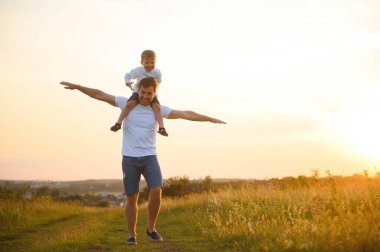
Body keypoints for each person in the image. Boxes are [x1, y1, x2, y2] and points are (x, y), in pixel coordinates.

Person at [60, 78, 225, 245]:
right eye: (143, 93)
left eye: (149, 94)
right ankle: (132, 235)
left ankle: (151, 228)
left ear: (154, 94)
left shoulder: (158, 110)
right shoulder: (126, 103)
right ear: (138, 91)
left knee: (156, 190)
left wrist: (208, 118)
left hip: (149, 157)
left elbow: (186, 114)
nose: (145, 97)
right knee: (132, 197)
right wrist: (79, 87)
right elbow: (100, 95)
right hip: (129, 158)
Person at [110, 50, 169, 137]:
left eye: (152, 62)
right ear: (142, 62)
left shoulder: (157, 72)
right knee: (129, 105)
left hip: (151, 94)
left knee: (157, 108)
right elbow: (127, 75)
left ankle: (161, 127)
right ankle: (118, 123)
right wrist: (128, 82)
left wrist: (155, 87)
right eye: (147, 62)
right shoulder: (138, 71)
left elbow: (159, 80)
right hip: (138, 92)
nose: (149, 65)